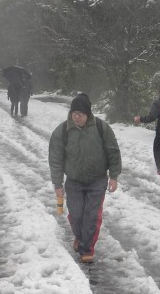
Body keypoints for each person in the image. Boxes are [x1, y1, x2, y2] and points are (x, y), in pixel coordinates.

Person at [48, 93, 122, 263]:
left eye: (80, 114)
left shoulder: (101, 128)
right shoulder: (62, 131)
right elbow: (55, 159)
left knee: (92, 215)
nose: (77, 117)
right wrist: (57, 183)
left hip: (97, 180)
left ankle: (86, 248)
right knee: (76, 215)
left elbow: (113, 151)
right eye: (74, 113)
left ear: (88, 114)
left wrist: (114, 176)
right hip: (74, 181)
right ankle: (80, 237)